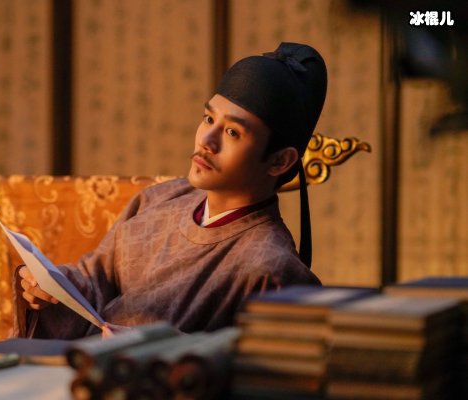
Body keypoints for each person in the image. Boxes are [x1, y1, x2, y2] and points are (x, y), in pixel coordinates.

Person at [17, 42, 326, 339]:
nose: (207, 140)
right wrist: (57, 285)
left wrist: (157, 346)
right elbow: (97, 278)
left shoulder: (273, 268)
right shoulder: (159, 198)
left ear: (280, 160)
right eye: (208, 119)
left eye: (233, 132)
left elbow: (261, 367)